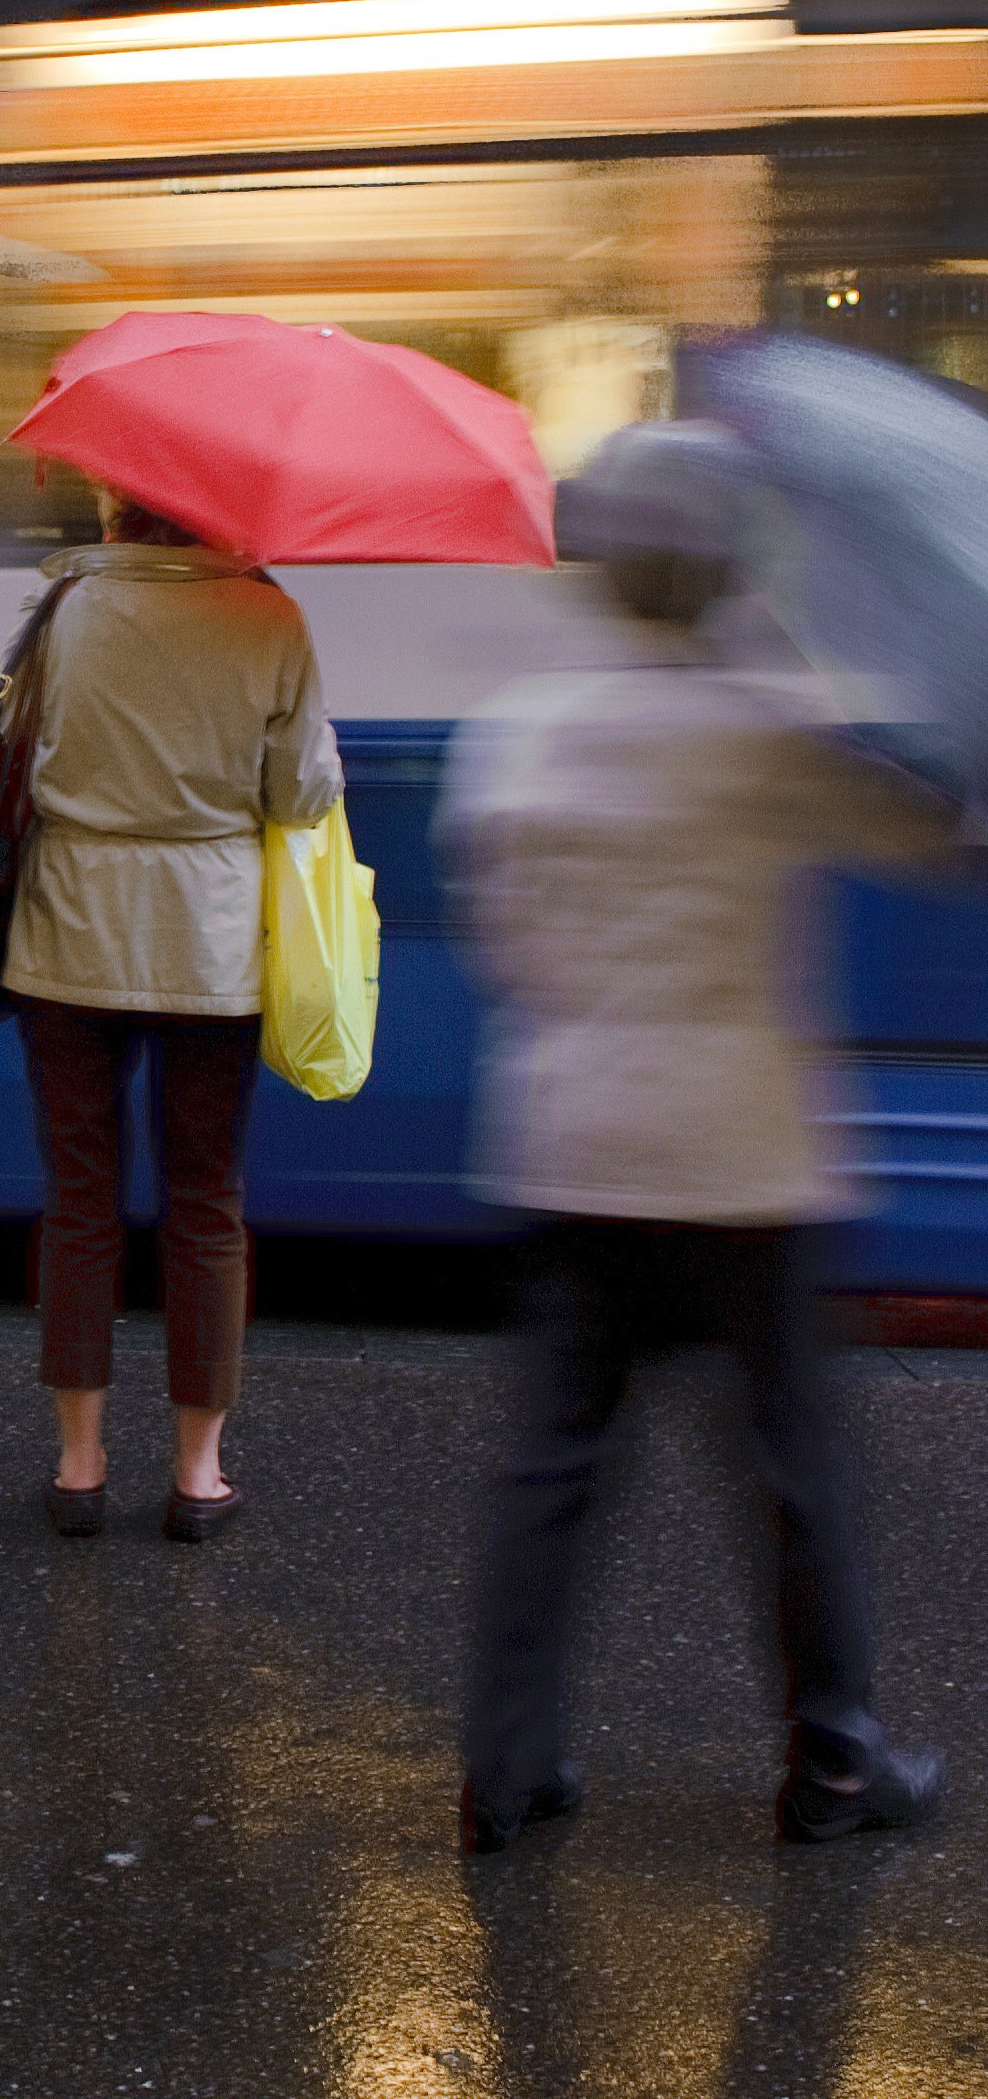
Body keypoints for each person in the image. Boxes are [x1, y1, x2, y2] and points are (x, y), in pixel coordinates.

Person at [442, 421, 955, 1852]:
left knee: (551, 1473)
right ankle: (836, 1766)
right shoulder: (765, 728)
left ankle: (507, 1767)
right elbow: (937, 846)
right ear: (729, 568)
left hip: (569, 1143)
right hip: (743, 1160)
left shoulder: (515, 735)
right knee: (795, 1472)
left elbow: (505, 942)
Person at [7, 486, 341, 1540]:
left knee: (79, 1197)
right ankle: (197, 1477)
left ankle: (77, 1465)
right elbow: (301, 794)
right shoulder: (269, 614)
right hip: (209, 949)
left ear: (117, 507)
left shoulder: (61, 609)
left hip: (69, 935)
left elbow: (12, 755)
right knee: (204, 1202)